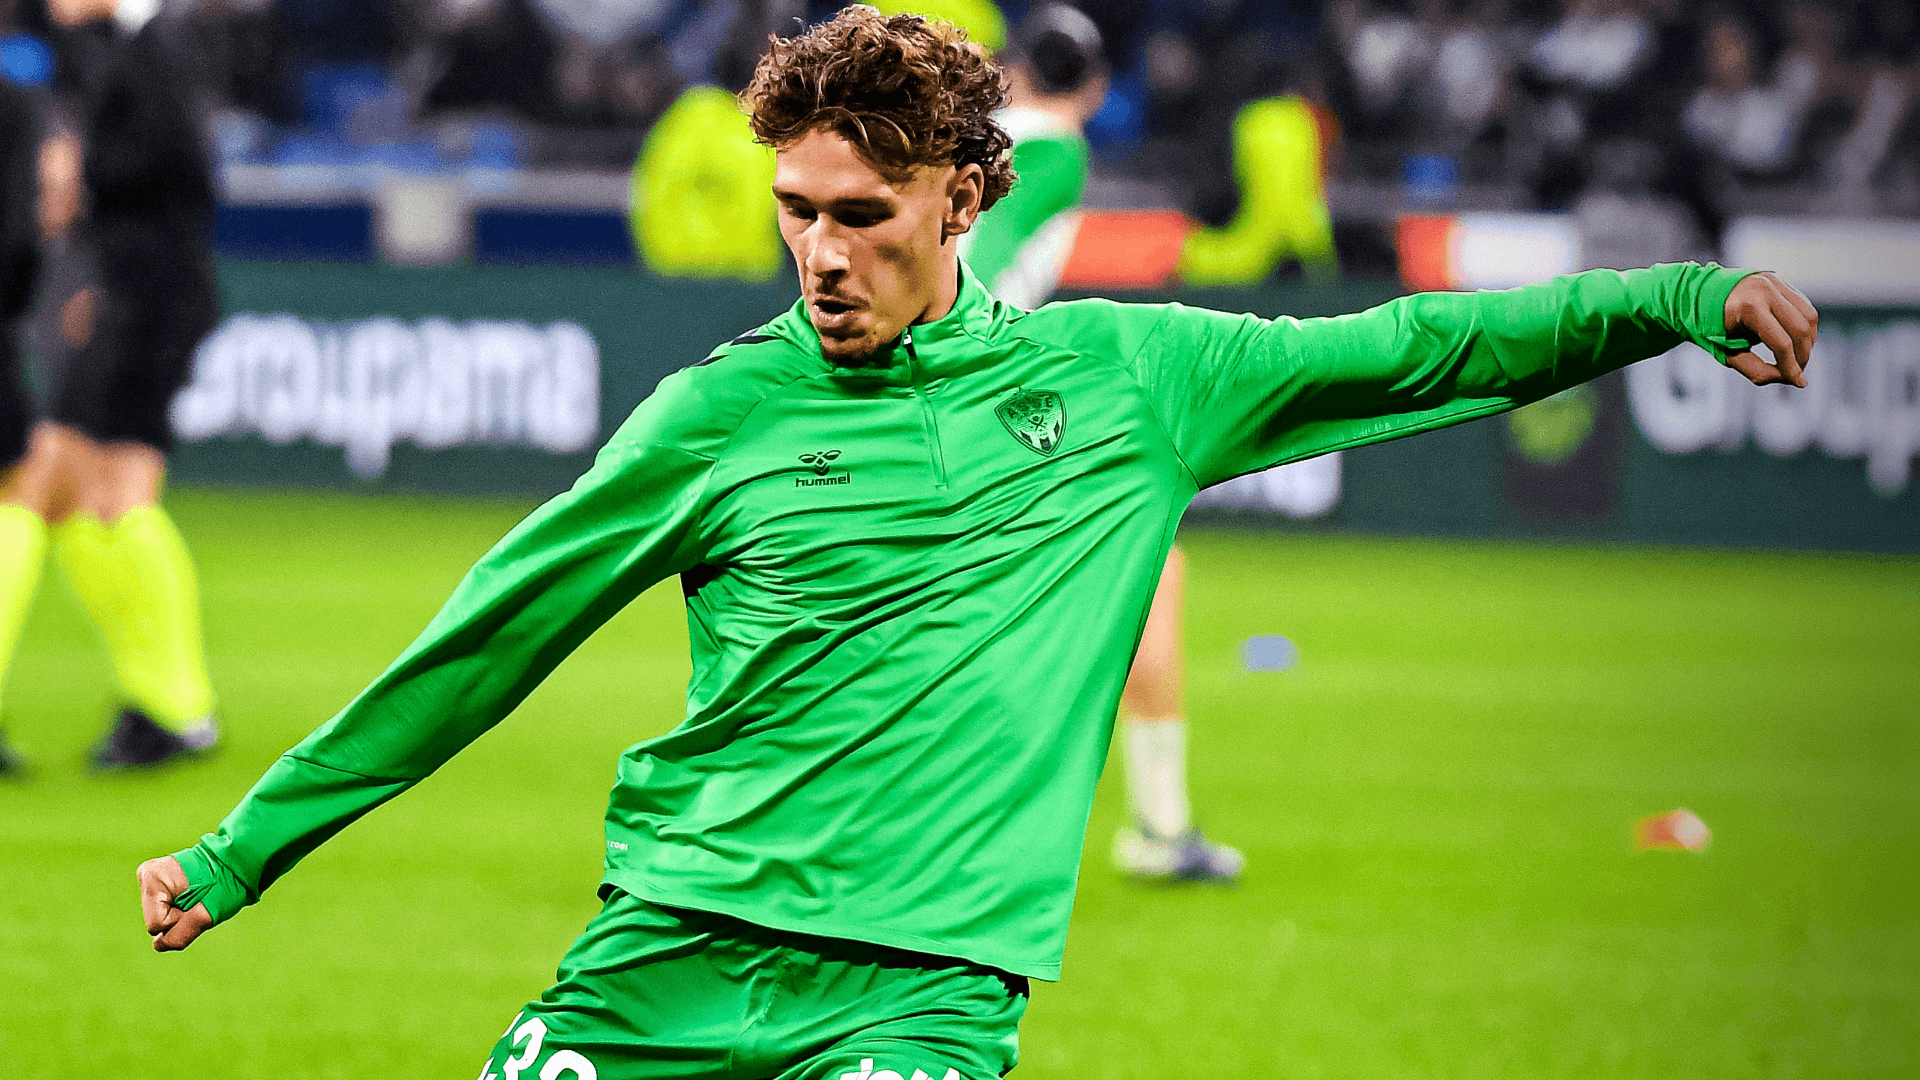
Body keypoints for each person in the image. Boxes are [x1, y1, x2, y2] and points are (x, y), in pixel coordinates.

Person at [139, 10, 1817, 1079]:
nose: (819, 253)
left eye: (860, 215)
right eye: (796, 211)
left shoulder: (1131, 379)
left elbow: (1421, 348)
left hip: (925, 996)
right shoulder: (715, 415)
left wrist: (1677, 295)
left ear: (962, 196)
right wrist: (240, 851)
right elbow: (492, 636)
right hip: (664, 954)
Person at [959, 3, 1241, 881]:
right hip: (980, 382)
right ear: (1096, 87)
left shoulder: (961, 135)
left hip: (931, 377)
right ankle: (1159, 828)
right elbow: (986, 262)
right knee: (1150, 572)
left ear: (1012, 67)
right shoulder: (1055, 149)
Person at [0, 0, 220, 772]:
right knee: (105, 497)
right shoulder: (129, 49)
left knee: (53, 486)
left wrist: (77, 171)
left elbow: (182, 174)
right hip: (138, 295)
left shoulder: (156, 48)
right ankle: (175, 710)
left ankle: (175, 708)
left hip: (147, 302)